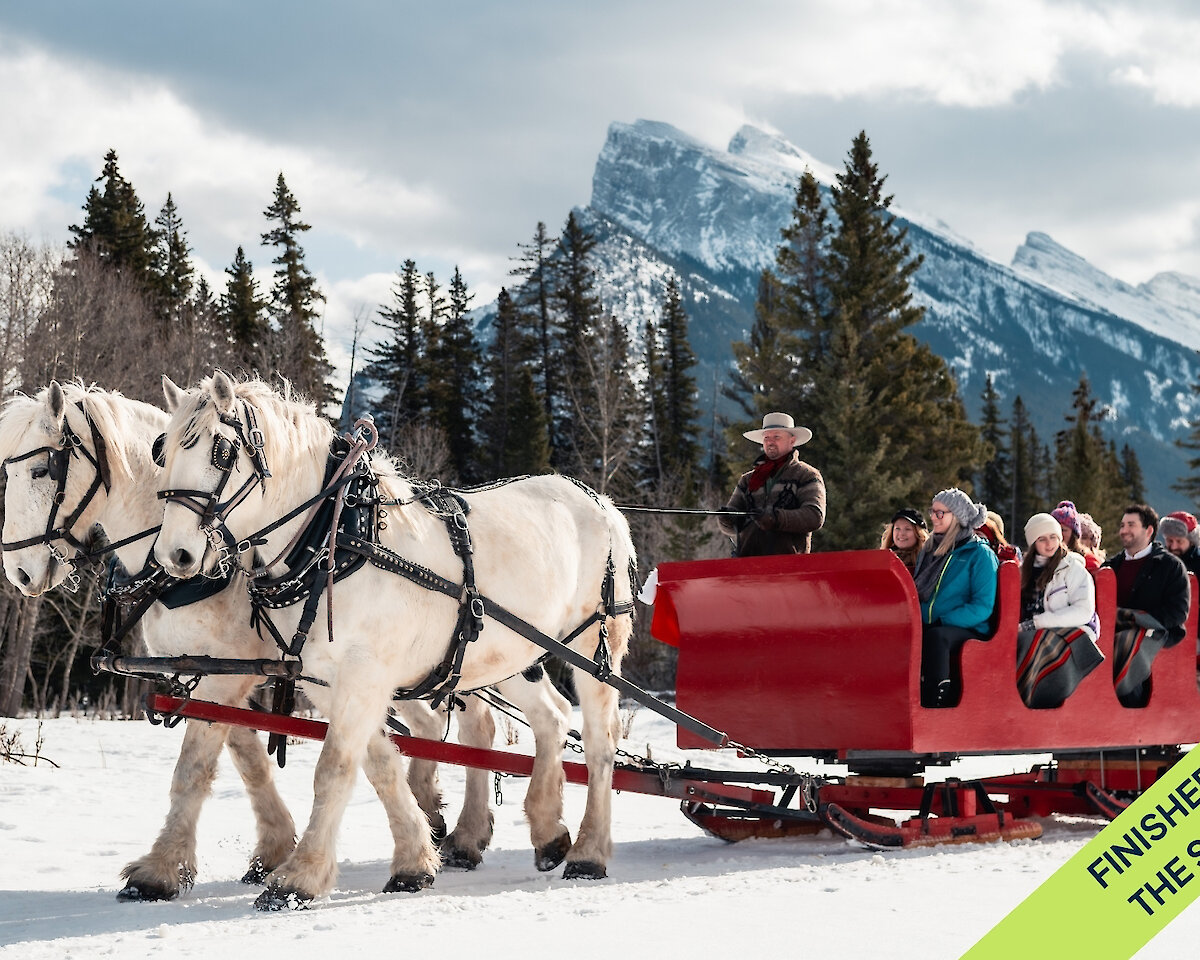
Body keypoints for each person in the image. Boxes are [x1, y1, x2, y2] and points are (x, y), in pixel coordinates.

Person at [912, 489, 998, 707]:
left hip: (969, 626)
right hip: (931, 621)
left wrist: (944, 620)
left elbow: (982, 606)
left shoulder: (979, 554)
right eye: (933, 512)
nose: (933, 517)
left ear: (957, 517)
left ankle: (937, 701)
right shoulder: (930, 549)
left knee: (937, 637)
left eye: (941, 513)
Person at [1101, 504, 1191, 707]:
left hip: (1158, 633)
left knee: (1128, 643)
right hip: (1112, 632)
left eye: (1131, 525)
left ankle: (1132, 710)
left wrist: (1139, 619)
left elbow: (1178, 612)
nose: (1124, 530)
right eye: (1122, 525)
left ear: (1149, 530)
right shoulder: (1110, 567)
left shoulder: (1170, 566)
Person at [1015, 513, 1103, 708]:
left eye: (1053, 537)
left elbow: (1083, 611)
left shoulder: (1072, 568)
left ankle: (1031, 698)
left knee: (1033, 642)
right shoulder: (1024, 571)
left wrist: (1037, 623)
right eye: (1042, 539)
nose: (1049, 544)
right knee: (1011, 643)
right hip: (1032, 627)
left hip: (1072, 629)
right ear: (1033, 542)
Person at [717, 412, 826, 557]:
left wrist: (775, 519)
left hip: (790, 567)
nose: (770, 441)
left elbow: (814, 516)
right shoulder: (747, 480)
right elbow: (732, 526)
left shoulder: (807, 475)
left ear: (792, 441)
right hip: (747, 566)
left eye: (776, 437)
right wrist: (726, 518)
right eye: (766, 437)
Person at [1051, 499, 1098, 570]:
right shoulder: (1043, 558)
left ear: (1074, 534)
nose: (1059, 534)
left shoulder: (1088, 561)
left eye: (1063, 530)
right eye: (1055, 529)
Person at [881, 507, 928, 573]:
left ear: (918, 533)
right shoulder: (882, 561)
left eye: (907, 529)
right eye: (897, 528)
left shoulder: (927, 561)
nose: (901, 533)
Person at [1159, 510, 1200, 578]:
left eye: (1179, 541)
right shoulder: (1158, 562)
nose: (1173, 547)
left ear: (1191, 541)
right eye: (1170, 541)